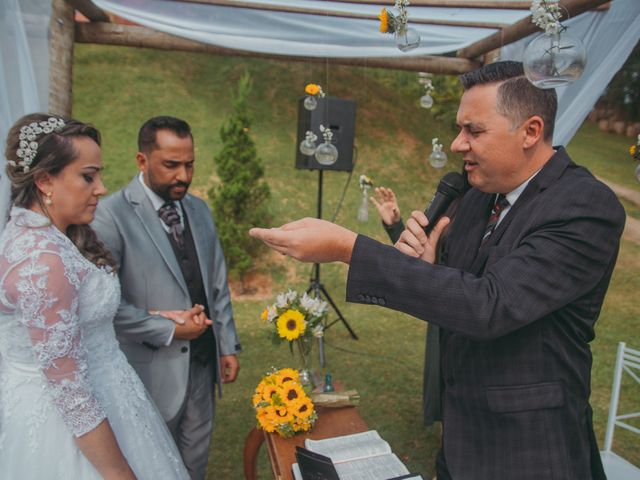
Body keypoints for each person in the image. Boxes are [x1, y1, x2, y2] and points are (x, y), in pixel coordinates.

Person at [250, 61, 625, 480]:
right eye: (458, 128)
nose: (456, 143)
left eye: (473, 130)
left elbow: (489, 306)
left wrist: (348, 248)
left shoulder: (584, 207)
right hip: (461, 439)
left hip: (531, 450)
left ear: (531, 131)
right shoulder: (479, 194)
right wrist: (429, 265)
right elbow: (457, 292)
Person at [0, 113, 189, 479]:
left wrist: (160, 317)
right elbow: (71, 393)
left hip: (112, 399)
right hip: (69, 430)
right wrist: (121, 474)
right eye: (88, 176)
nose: (100, 188)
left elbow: (72, 322)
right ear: (45, 181)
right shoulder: (43, 261)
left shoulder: (38, 235)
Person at [92, 115, 241, 479]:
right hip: (148, 372)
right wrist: (168, 328)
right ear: (142, 161)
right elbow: (103, 309)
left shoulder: (200, 210)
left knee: (194, 464)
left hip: (203, 367)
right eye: (171, 165)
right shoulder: (109, 217)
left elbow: (216, 282)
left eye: (190, 164)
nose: (184, 176)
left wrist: (227, 345)